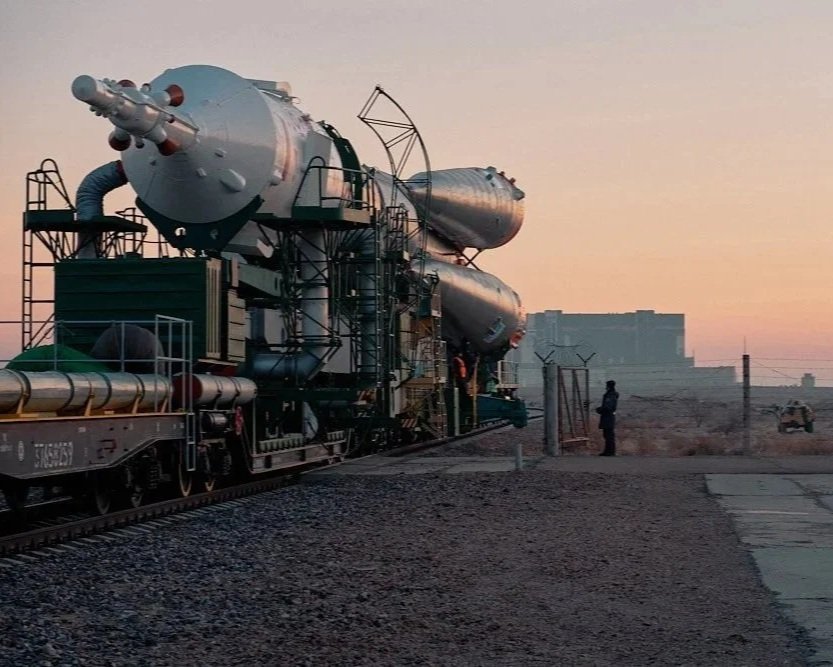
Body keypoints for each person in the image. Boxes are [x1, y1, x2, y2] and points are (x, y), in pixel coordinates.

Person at [595, 380, 619, 456]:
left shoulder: (610, 395)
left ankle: (610, 451)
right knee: (607, 434)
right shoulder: (611, 394)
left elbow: (608, 407)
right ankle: (608, 451)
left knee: (609, 435)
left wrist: (600, 410)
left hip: (608, 417)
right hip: (608, 417)